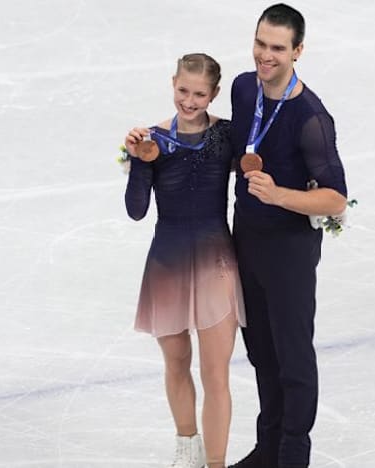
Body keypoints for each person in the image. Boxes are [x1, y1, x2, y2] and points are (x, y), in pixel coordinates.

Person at [227, 4, 348, 468]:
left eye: (277, 48)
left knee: (292, 355)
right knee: (260, 349)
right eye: (260, 43)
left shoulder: (310, 118)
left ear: (298, 51)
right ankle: (268, 448)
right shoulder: (243, 87)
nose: (265, 55)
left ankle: (293, 455)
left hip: (290, 250)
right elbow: (235, 140)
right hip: (247, 239)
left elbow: (335, 198)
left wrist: (280, 195)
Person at [124, 53, 246, 468]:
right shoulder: (153, 139)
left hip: (215, 262)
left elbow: (253, 178)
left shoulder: (228, 134)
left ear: (213, 94)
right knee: (176, 361)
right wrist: (141, 164)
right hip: (169, 262)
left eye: (199, 94)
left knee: (216, 373)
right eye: (182, 91)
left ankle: (215, 463)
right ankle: (187, 447)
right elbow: (137, 210)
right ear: (172, 83)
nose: (189, 101)